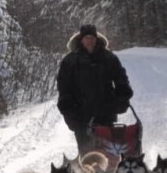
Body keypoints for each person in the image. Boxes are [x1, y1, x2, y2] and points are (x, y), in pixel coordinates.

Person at [56, 23, 134, 156]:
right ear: (81, 39)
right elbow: (63, 88)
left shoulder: (109, 57)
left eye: (92, 37)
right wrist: (68, 112)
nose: (89, 41)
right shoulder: (69, 61)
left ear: (96, 39)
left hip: (105, 112)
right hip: (80, 115)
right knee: (86, 155)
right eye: (86, 37)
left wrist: (122, 97)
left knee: (108, 154)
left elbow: (121, 78)